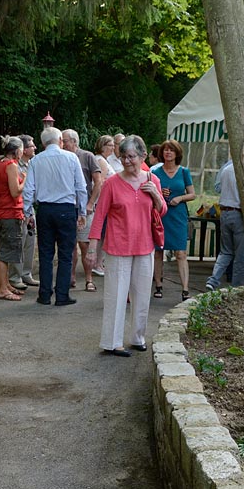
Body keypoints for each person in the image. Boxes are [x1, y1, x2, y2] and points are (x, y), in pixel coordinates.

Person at [86, 135, 166, 357]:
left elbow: (162, 211)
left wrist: (156, 197)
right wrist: (92, 248)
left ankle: (138, 338)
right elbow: (100, 217)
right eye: (123, 157)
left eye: (131, 156)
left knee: (142, 296)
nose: (127, 161)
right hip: (118, 247)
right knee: (116, 296)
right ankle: (112, 342)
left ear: (142, 156)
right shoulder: (112, 183)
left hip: (145, 246)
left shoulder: (152, 179)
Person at [22, 126, 87, 306]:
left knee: (45, 253)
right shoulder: (71, 158)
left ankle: (44, 294)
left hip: (45, 209)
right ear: (60, 140)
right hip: (66, 209)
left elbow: (29, 190)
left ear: (43, 143)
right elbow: (80, 187)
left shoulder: (36, 161)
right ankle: (62, 294)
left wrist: (28, 212)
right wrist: (82, 211)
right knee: (66, 254)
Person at [151, 139, 196, 300]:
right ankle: (158, 285)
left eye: (171, 150)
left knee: (181, 252)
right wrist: (159, 193)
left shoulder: (184, 171)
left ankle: (185, 289)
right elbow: (149, 193)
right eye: (165, 150)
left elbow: (193, 194)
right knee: (158, 250)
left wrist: (180, 198)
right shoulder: (155, 172)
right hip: (161, 214)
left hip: (178, 215)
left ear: (177, 153)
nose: (168, 152)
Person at [62, 129, 103, 292]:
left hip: (85, 209)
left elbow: (98, 182)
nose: (62, 143)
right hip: (67, 208)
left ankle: (88, 279)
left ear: (74, 141)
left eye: (64, 140)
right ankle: (70, 278)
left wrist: (90, 203)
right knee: (69, 245)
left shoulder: (87, 156)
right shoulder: (62, 158)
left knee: (85, 244)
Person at [0, 135, 26, 301]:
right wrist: (25, 180)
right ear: (17, 151)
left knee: (6, 250)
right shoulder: (11, 166)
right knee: (5, 252)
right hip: (9, 212)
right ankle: (2, 289)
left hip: (5, 212)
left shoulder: (0, 163)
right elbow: (15, 191)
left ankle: (5, 285)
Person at [206, 160, 244, 289]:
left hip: (224, 212)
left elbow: (218, 188)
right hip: (239, 214)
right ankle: (237, 287)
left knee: (225, 252)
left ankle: (213, 280)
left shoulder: (226, 169)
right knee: (241, 256)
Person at [10, 134, 39, 287]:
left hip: (30, 208)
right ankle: (15, 277)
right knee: (19, 242)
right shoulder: (15, 165)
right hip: (19, 208)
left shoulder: (32, 164)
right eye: (32, 145)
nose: (34, 148)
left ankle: (26, 273)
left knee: (30, 241)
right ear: (24, 149)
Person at [91, 134, 117, 276]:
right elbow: (100, 182)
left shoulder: (104, 160)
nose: (113, 148)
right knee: (101, 234)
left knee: (103, 234)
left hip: (106, 202)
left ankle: (99, 262)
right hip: (103, 202)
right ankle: (98, 263)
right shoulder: (101, 161)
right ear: (103, 146)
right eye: (110, 145)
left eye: (113, 145)